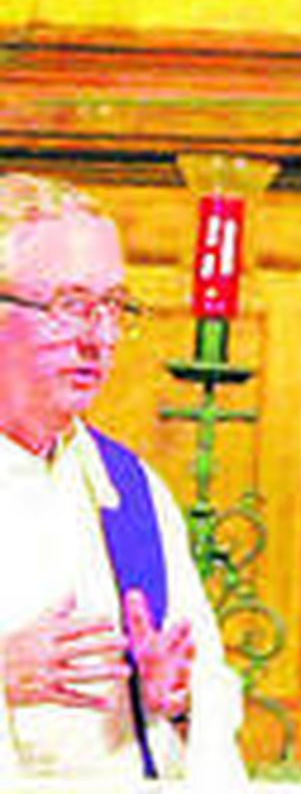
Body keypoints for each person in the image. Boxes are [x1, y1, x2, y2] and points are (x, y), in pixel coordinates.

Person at [0, 173, 246, 781]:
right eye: (70, 306)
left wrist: (174, 699)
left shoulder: (129, 492)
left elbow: (206, 694)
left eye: (112, 306)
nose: (100, 338)